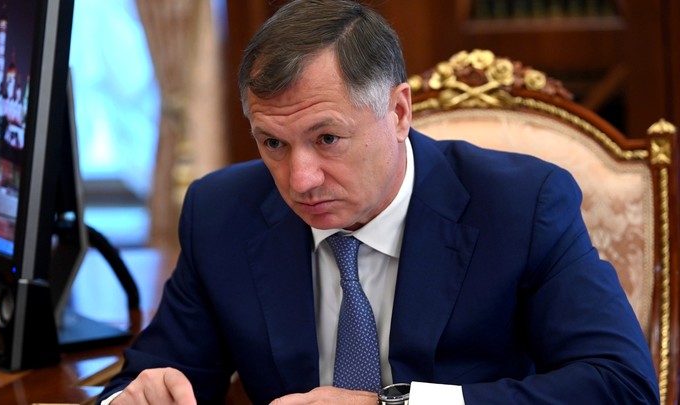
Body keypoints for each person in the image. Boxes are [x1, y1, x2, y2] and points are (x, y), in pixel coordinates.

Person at [98, 0, 659, 404]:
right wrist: (136, 395)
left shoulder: (520, 205)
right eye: (273, 143)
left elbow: (621, 384)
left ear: (398, 113)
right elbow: (147, 379)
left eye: (327, 138)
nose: (300, 180)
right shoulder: (220, 213)